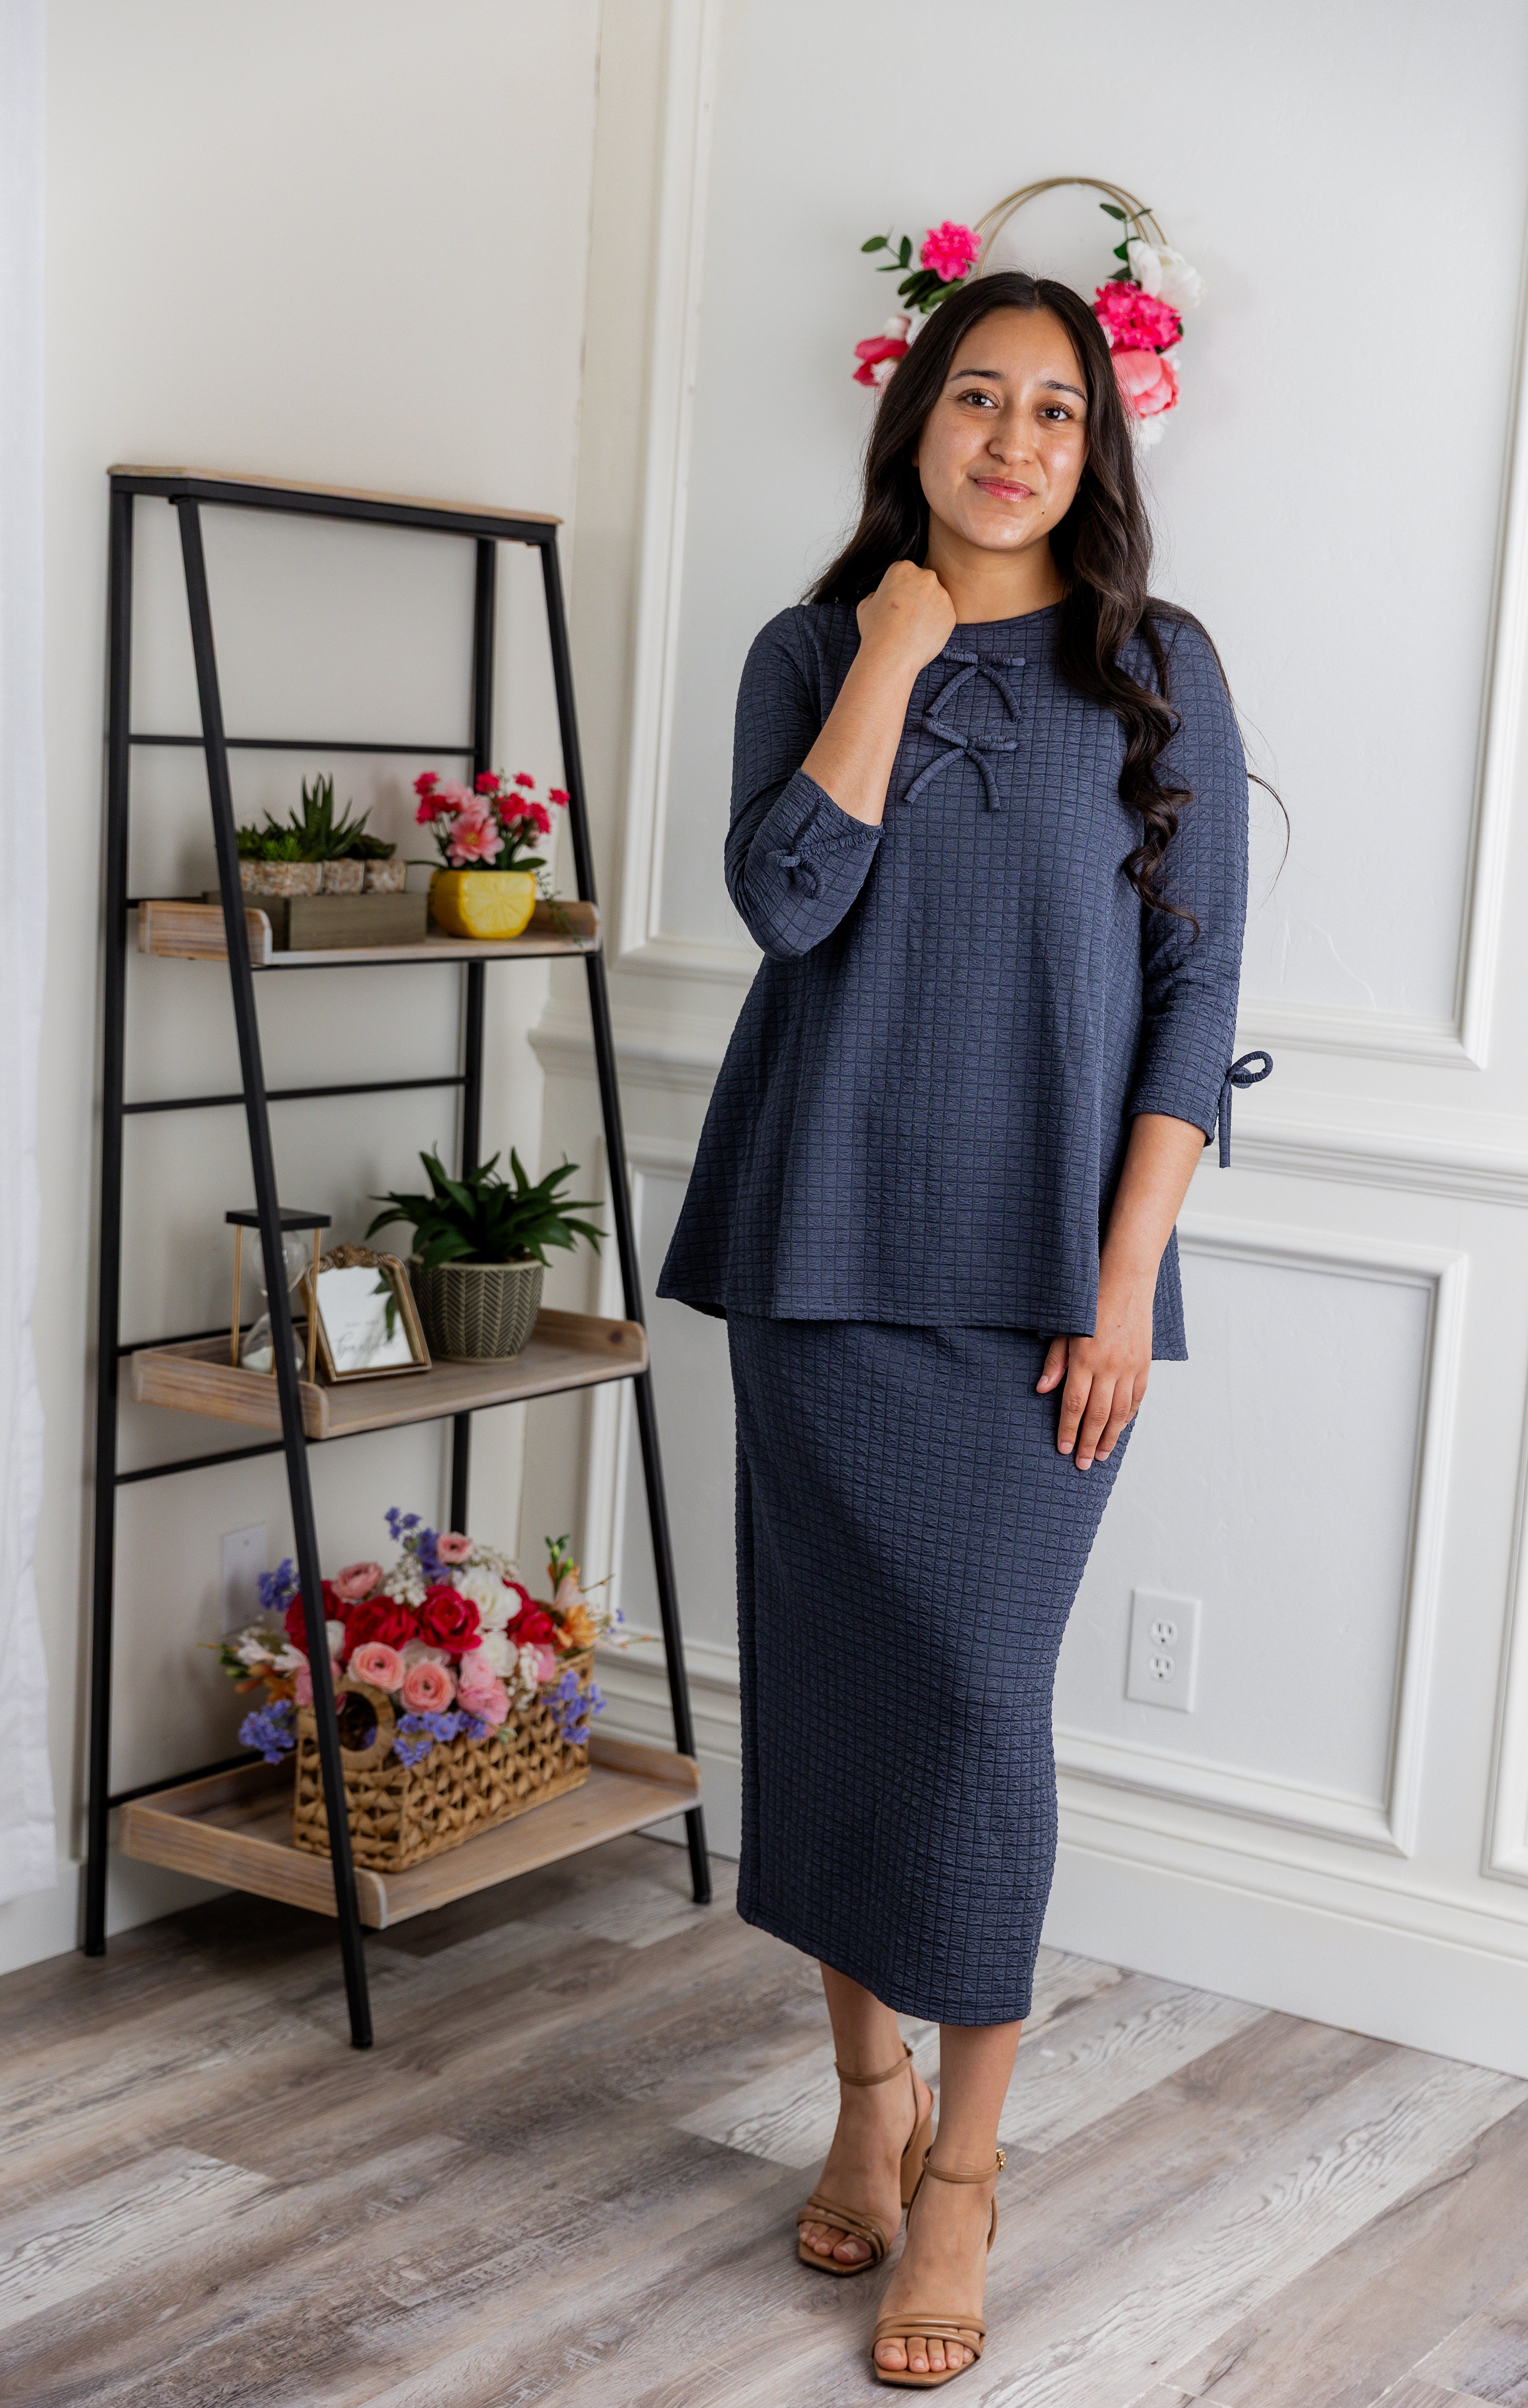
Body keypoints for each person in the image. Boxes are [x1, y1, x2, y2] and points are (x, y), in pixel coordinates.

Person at [657, 269, 1268, 2387]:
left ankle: (968, 2175)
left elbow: (1197, 992)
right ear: (917, 420)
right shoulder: (813, 647)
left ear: (1096, 451)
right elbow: (786, 901)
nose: (1016, 441)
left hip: (1040, 1292)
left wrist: (1123, 1288)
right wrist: (896, 654)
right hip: (821, 1253)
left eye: (1058, 411)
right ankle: (865, 2092)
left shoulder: (1161, 669)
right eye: (981, 399)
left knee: (978, 1714)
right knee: (836, 1697)